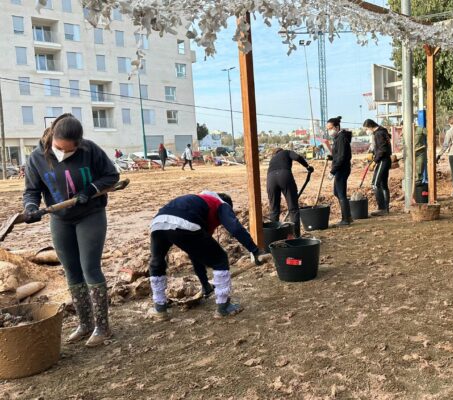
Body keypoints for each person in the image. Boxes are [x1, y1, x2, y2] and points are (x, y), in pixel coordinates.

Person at [22, 113, 119, 347]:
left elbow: (112, 176)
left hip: (91, 215)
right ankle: (85, 324)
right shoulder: (37, 158)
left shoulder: (90, 150)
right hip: (60, 219)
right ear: (52, 138)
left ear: (79, 144)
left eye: (69, 151)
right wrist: (31, 207)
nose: (63, 154)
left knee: (90, 268)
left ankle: (102, 328)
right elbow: (31, 190)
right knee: (71, 271)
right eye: (58, 148)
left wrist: (91, 188)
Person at [148, 191, 269, 319]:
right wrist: (255, 251)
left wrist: (205, 284)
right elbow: (235, 228)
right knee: (220, 259)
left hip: (157, 222)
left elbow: (196, 253)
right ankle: (224, 307)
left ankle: (160, 309)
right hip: (184, 222)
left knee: (157, 263)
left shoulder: (198, 204)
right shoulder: (220, 203)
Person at [267, 148, 314, 237]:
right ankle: (296, 236)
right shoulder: (287, 152)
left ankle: (273, 237)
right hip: (284, 176)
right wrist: (307, 166)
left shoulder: (272, 159)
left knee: (274, 210)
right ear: (282, 150)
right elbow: (297, 157)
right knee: (293, 209)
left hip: (270, 179)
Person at [327, 116, 353, 226]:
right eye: (327, 129)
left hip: (342, 169)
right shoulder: (337, 138)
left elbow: (342, 157)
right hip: (340, 168)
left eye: (330, 128)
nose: (329, 131)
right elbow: (338, 155)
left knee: (341, 193)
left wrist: (333, 171)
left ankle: (346, 219)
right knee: (337, 192)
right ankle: (348, 216)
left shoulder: (341, 138)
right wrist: (331, 157)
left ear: (337, 127)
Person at [363, 119, 391, 216]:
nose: (367, 131)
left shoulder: (378, 133)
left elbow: (383, 149)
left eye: (366, 129)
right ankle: (386, 208)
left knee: (375, 184)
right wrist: (372, 152)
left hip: (382, 160)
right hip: (385, 160)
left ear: (370, 126)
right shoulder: (383, 131)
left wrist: (375, 161)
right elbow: (380, 147)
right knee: (383, 185)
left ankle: (382, 208)